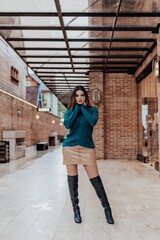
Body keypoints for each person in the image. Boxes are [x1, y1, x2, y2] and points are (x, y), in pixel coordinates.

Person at [62, 85, 114, 224]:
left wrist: (82, 108)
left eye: (82, 95)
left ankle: (107, 210)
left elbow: (92, 121)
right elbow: (67, 124)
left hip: (87, 149)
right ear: (74, 97)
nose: (79, 98)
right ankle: (76, 211)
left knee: (96, 181)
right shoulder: (69, 111)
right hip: (70, 148)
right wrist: (77, 109)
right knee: (73, 182)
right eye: (77, 95)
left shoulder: (92, 110)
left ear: (86, 97)